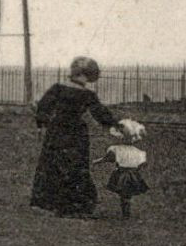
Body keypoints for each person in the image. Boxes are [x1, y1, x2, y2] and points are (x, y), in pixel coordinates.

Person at [30, 56, 124, 217]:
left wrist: (40, 125)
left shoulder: (58, 88)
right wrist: (116, 125)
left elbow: (43, 107)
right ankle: (73, 205)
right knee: (76, 167)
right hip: (76, 133)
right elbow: (101, 114)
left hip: (56, 131)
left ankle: (48, 203)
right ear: (86, 75)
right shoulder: (87, 94)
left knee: (52, 164)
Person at [98, 123, 149, 219]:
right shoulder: (139, 152)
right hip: (133, 174)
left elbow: (108, 158)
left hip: (122, 173)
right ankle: (126, 212)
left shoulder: (116, 149)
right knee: (126, 194)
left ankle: (125, 213)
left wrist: (97, 161)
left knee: (124, 194)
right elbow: (143, 164)